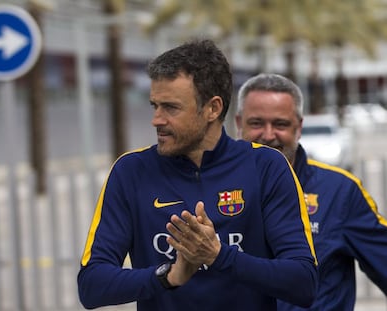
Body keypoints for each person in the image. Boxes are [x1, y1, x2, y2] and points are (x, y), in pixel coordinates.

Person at [77, 39, 317, 311]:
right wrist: (169, 276)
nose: (157, 119)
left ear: (213, 109)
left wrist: (218, 255)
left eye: (171, 107)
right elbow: (91, 286)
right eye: (154, 105)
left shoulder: (266, 166)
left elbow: (304, 282)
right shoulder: (130, 171)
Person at [235, 73, 387, 311]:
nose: (267, 135)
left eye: (280, 124)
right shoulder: (212, 188)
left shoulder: (341, 192)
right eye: (256, 123)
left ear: (299, 127)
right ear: (238, 123)